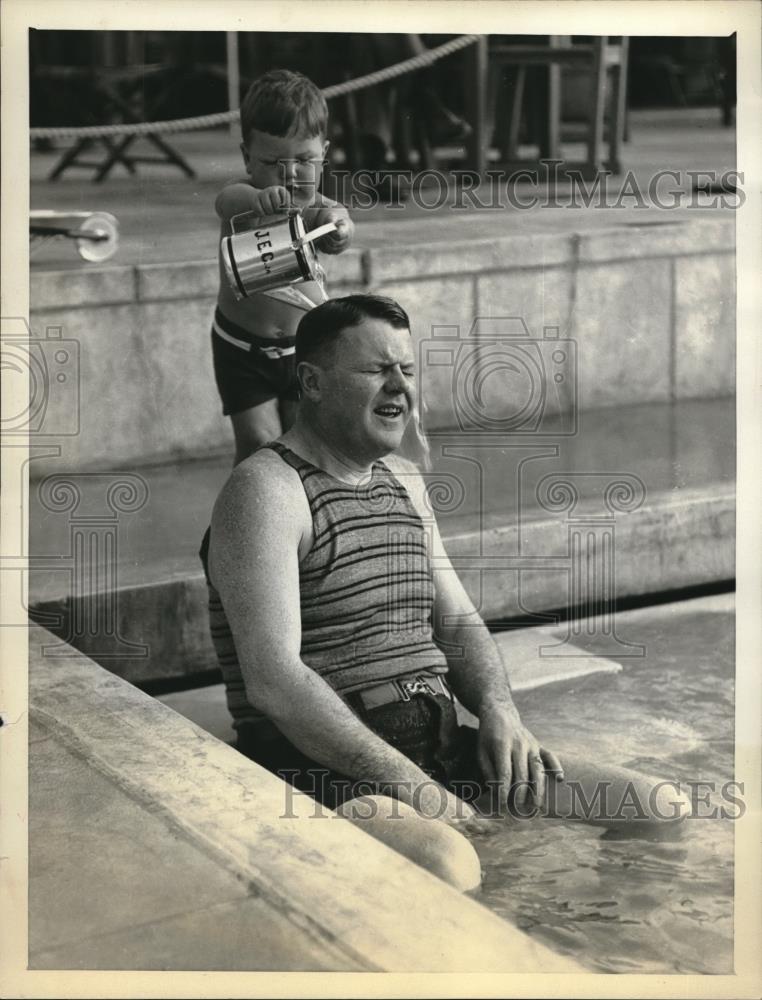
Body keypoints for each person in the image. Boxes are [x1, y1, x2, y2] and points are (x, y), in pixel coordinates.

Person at [203, 294, 691, 837]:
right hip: (321, 767)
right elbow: (275, 681)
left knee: (655, 808)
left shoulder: (403, 479)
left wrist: (498, 710)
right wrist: (413, 786)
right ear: (312, 383)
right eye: (376, 370)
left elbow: (456, 622)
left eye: (407, 370)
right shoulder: (267, 490)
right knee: (449, 860)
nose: (400, 386)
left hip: (437, 741)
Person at [212, 69, 354, 465]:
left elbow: (337, 217)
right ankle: (246, 517)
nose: (289, 173)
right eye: (273, 161)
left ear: (324, 153)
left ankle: (298, 518)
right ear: (246, 157)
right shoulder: (241, 200)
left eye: (304, 160)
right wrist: (259, 202)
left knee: (303, 443)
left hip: (302, 347)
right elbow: (226, 201)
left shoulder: (315, 206)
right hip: (241, 347)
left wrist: (341, 230)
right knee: (258, 444)